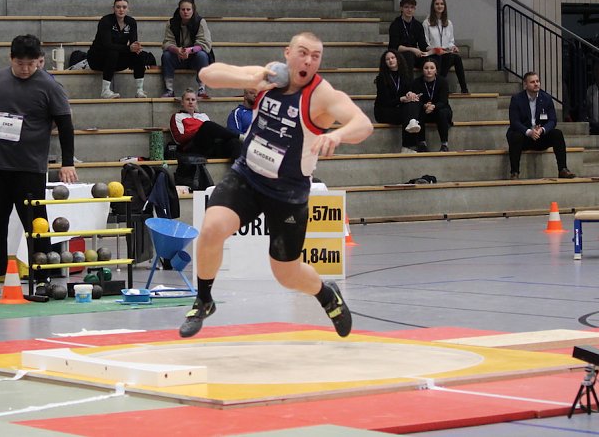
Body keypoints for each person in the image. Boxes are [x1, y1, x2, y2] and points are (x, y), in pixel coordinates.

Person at [177, 32, 372, 338]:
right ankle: (203, 299)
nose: (308, 61)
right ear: (288, 54)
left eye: (316, 56)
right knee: (212, 228)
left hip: (288, 193)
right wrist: (253, 77)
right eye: (303, 53)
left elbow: (363, 124)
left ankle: (325, 293)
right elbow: (207, 75)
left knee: (287, 274)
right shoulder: (269, 77)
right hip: (248, 177)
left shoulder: (321, 95)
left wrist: (337, 135)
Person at [0, 34, 78, 299]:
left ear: (38, 60)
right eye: (20, 63)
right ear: (10, 58)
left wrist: (67, 162)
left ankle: (41, 278)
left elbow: (65, 125)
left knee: (36, 225)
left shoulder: (50, 86)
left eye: (30, 64)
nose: (25, 69)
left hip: (30, 168)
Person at [507, 71, 576, 180]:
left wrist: (542, 130)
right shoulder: (516, 99)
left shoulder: (547, 98)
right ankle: (514, 172)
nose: (536, 84)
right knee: (515, 136)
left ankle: (562, 169)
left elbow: (553, 120)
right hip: (524, 137)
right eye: (532, 82)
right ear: (525, 84)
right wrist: (529, 132)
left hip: (540, 136)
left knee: (557, 133)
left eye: (537, 81)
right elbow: (514, 122)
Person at [86, 0, 146, 99]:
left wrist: (136, 47)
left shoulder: (131, 22)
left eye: (124, 7)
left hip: (116, 60)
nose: (121, 9)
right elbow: (107, 45)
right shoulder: (106, 21)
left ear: (128, 9)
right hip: (97, 59)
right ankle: (105, 90)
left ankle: (139, 90)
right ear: (113, 8)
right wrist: (128, 48)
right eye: (118, 7)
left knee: (140, 54)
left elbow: (133, 43)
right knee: (112, 51)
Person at [160, 0, 213, 98]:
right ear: (179, 10)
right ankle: (169, 89)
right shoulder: (171, 23)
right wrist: (177, 50)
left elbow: (204, 43)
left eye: (188, 9)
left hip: (194, 56)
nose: (185, 12)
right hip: (178, 55)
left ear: (193, 10)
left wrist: (189, 50)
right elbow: (167, 42)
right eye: (183, 9)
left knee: (202, 55)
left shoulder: (200, 22)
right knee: (166, 56)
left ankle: (202, 88)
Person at [373, 50, 422, 153]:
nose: (391, 60)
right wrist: (401, 99)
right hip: (384, 111)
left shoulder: (405, 75)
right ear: (384, 63)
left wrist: (410, 94)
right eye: (387, 59)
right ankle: (408, 145)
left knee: (414, 102)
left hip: (400, 108)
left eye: (393, 58)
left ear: (398, 59)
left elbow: (409, 90)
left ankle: (409, 140)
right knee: (408, 114)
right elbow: (384, 101)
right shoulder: (381, 79)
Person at [171, 88, 241, 158]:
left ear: (196, 102)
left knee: (234, 142)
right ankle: (239, 136)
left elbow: (212, 132)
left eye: (193, 100)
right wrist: (199, 130)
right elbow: (179, 139)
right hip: (192, 147)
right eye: (187, 99)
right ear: (182, 102)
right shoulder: (177, 116)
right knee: (207, 125)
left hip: (209, 147)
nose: (190, 102)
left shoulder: (203, 116)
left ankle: (236, 167)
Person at [422, 0, 469, 94]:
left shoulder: (448, 23)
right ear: (433, 6)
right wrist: (435, 49)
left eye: (442, 4)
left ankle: (464, 89)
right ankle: (440, 85)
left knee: (456, 58)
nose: (439, 6)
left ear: (445, 6)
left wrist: (453, 47)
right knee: (444, 57)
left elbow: (451, 41)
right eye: (437, 4)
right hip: (433, 53)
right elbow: (425, 43)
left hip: (445, 52)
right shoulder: (427, 23)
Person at [410, 58, 452, 152]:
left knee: (442, 112)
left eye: (432, 68)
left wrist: (433, 106)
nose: (429, 70)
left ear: (436, 70)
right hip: (424, 110)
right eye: (426, 68)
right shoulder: (416, 82)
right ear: (422, 69)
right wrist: (424, 105)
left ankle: (444, 144)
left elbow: (443, 101)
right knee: (417, 111)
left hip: (439, 108)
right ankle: (422, 143)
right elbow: (416, 99)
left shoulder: (442, 82)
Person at [388, 0, 428, 72]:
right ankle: (408, 83)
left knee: (433, 58)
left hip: (414, 55)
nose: (409, 10)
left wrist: (433, 50)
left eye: (412, 7)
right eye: (406, 7)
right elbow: (394, 47)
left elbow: (423, 45)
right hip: (400, 55)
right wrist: (412, 49)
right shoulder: (395, 25)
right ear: (401, 8)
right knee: (409, 56)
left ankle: (435, 82)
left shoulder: (418, 25)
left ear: (414, 9)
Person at [585, 61, 599, 135]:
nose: (598, 72)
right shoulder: (590, 89)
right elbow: (587, 107)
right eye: (596, 70)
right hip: (595, 126)